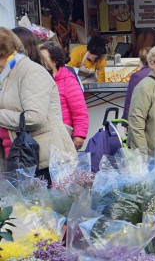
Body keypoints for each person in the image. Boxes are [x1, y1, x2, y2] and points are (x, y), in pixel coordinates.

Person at [0, 28, 76, 180]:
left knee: (39, 204)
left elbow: (34, 117)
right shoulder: (8, 74)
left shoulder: (31, 72)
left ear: (5, 54)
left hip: (41, 163)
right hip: (19, 160)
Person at [39, 42, 89, 151]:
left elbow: (79, 110)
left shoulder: (68, 80)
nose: (41, 61)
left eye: (44, 58)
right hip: (43, 135)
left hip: (63, 134)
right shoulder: (39, 79)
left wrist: (79, 135)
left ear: (55, 61)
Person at [123, 48, 151, 119]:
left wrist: (126, 122)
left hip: (141, 118)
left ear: (141, 61)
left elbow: (130, 100)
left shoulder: (137, 76)